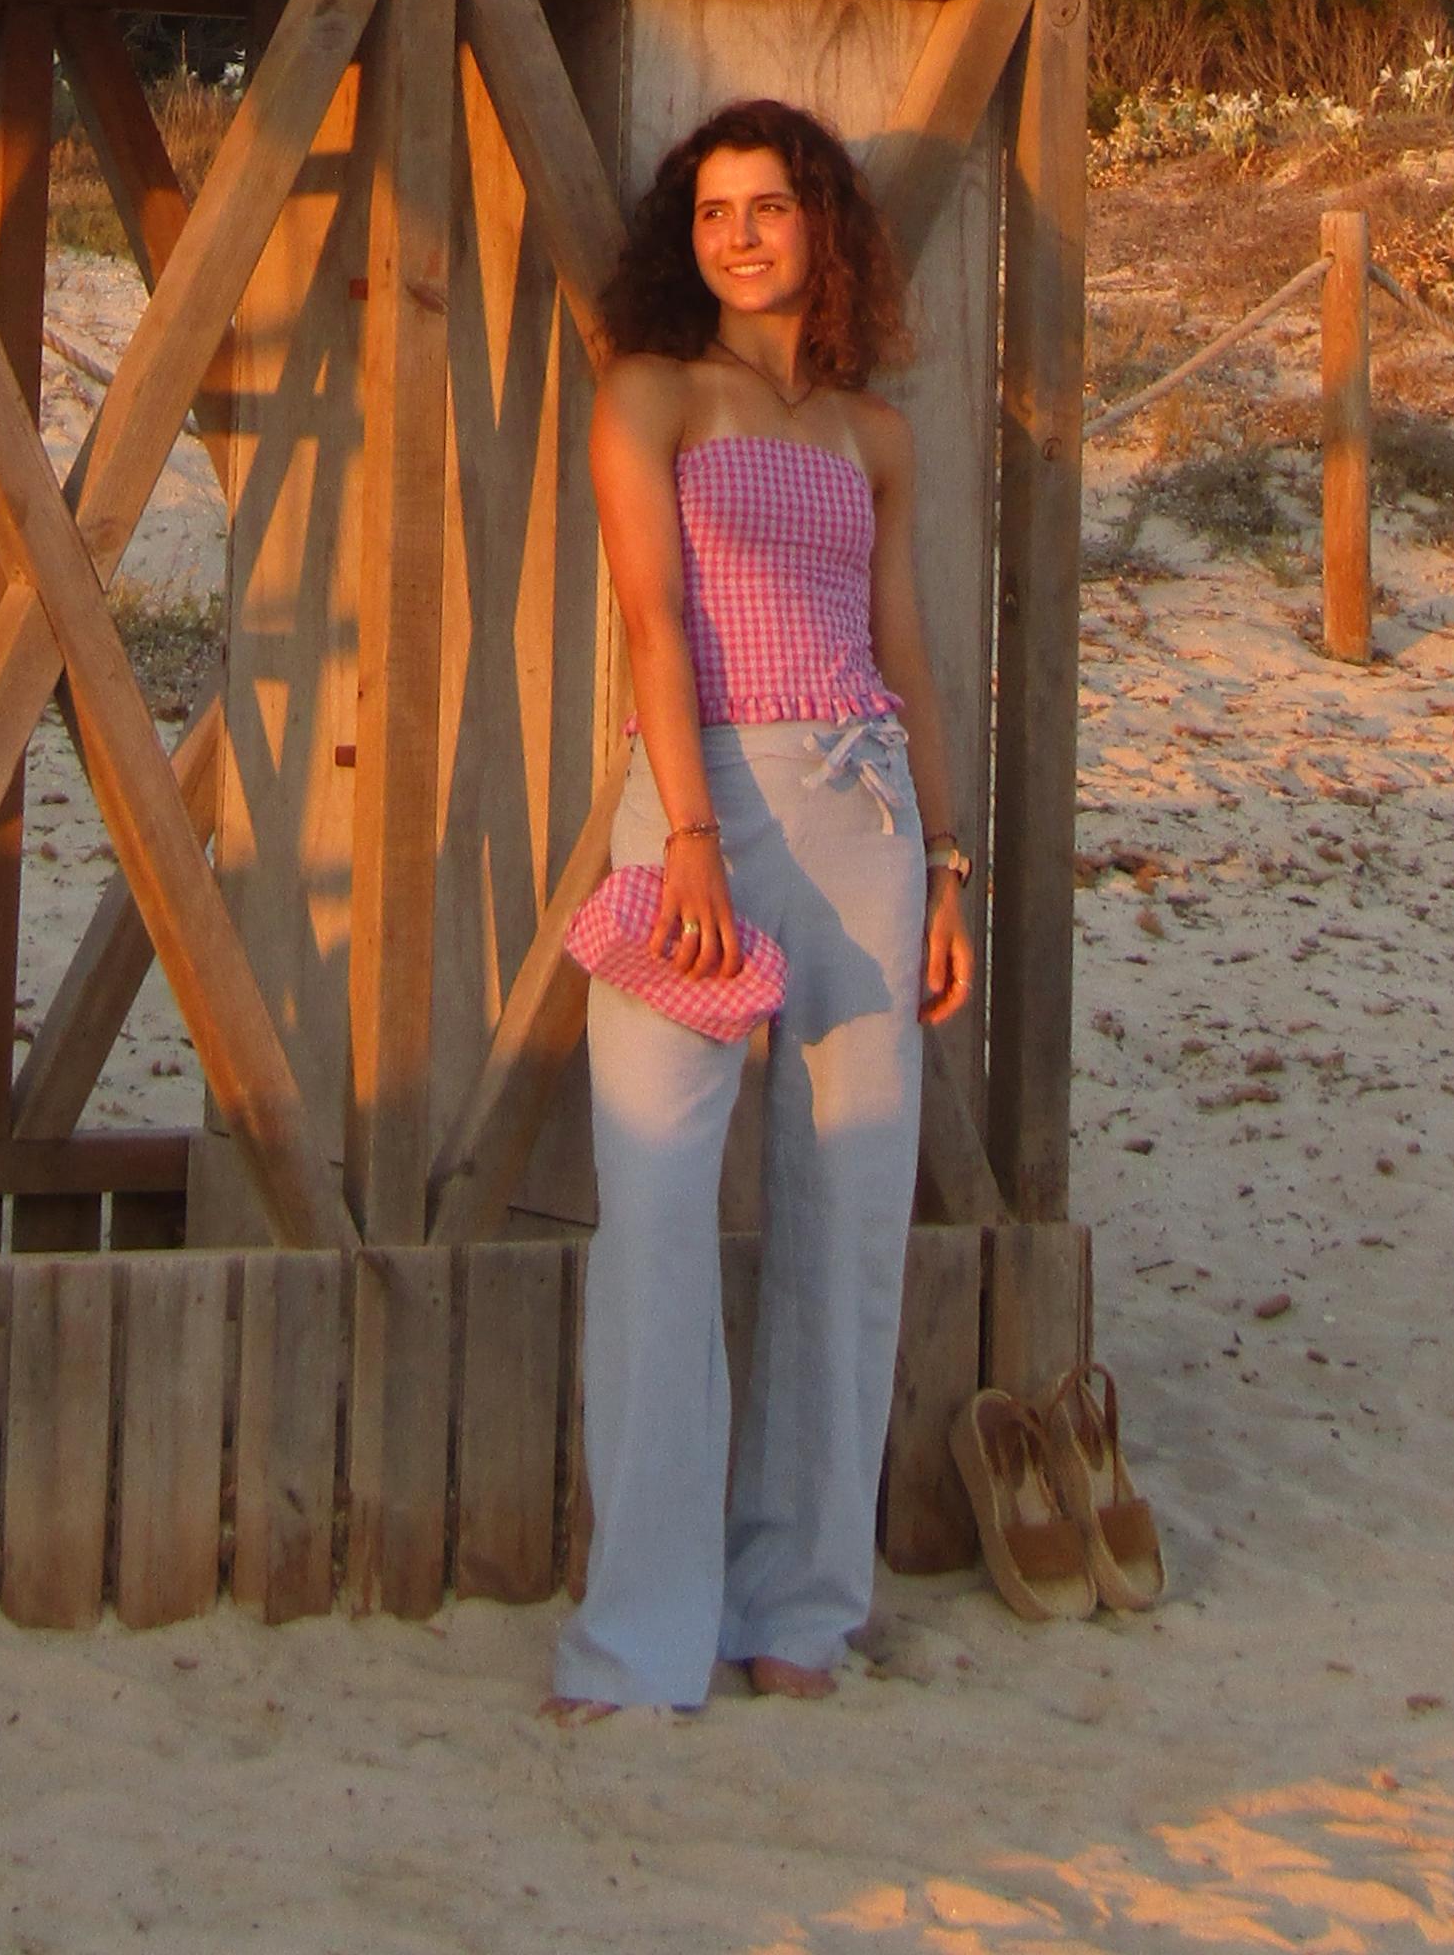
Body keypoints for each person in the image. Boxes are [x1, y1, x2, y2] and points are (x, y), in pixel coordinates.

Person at [546, 101, 977, 1721]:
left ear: (825, 230)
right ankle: (639, 1638)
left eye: (770, 206)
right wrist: (689, 833)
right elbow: (653, 619)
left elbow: (912, 660)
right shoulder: (651, 394)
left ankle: (802, 1605)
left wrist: (945, 865)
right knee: (655, 1217)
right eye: (714, 208)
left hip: (864, 821)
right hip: (699, 813)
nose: (739, 232)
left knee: (847, 1221)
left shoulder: (874, 435)